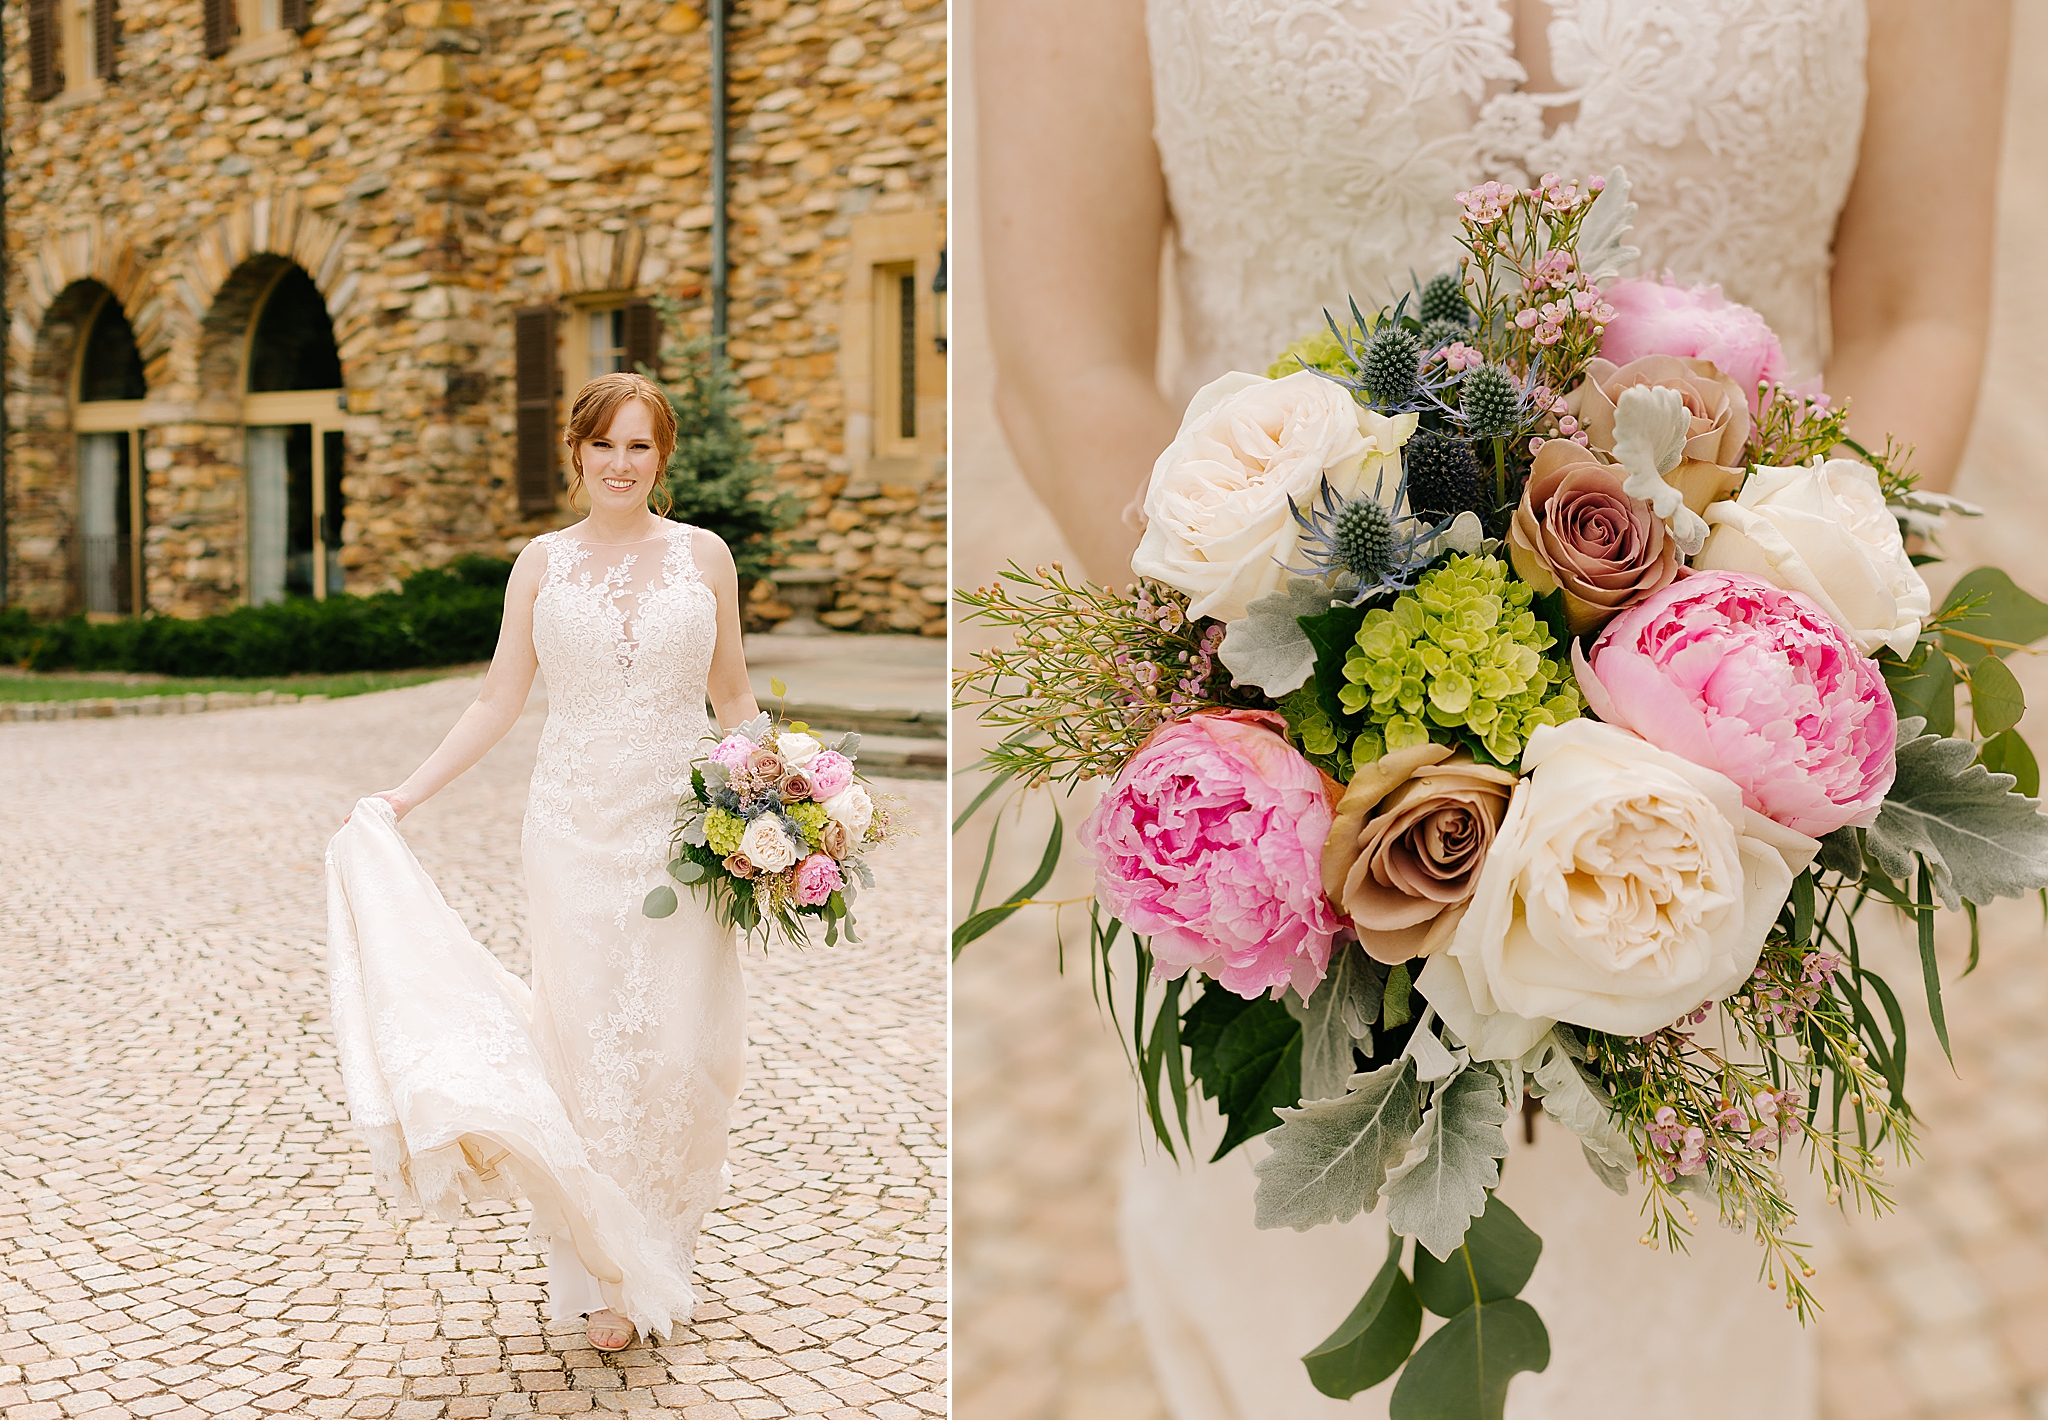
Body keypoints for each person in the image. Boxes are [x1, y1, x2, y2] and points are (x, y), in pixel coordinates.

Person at [977, 1, 2008, 1415]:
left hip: (1711, 858)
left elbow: (1918, 313)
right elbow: (1065, 360)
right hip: (1299, 829)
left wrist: (1735, 695)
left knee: (1694, 1333)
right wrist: (1323, 746)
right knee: (1295, 1317)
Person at [361, 371, 759, 1353]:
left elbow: (735, 700)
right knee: (585, 1045)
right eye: (603, 445)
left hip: (681, 835)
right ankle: (605, 1270)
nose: (620, 464)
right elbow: (496, 701)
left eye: (639, 446)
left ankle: (664, 1236)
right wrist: (404, 793)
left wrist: (786, 801)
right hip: (572, 830)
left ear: (661, 457)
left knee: (676, 1045)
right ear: (574, 454)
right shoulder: (540, 564)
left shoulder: (704, 557)